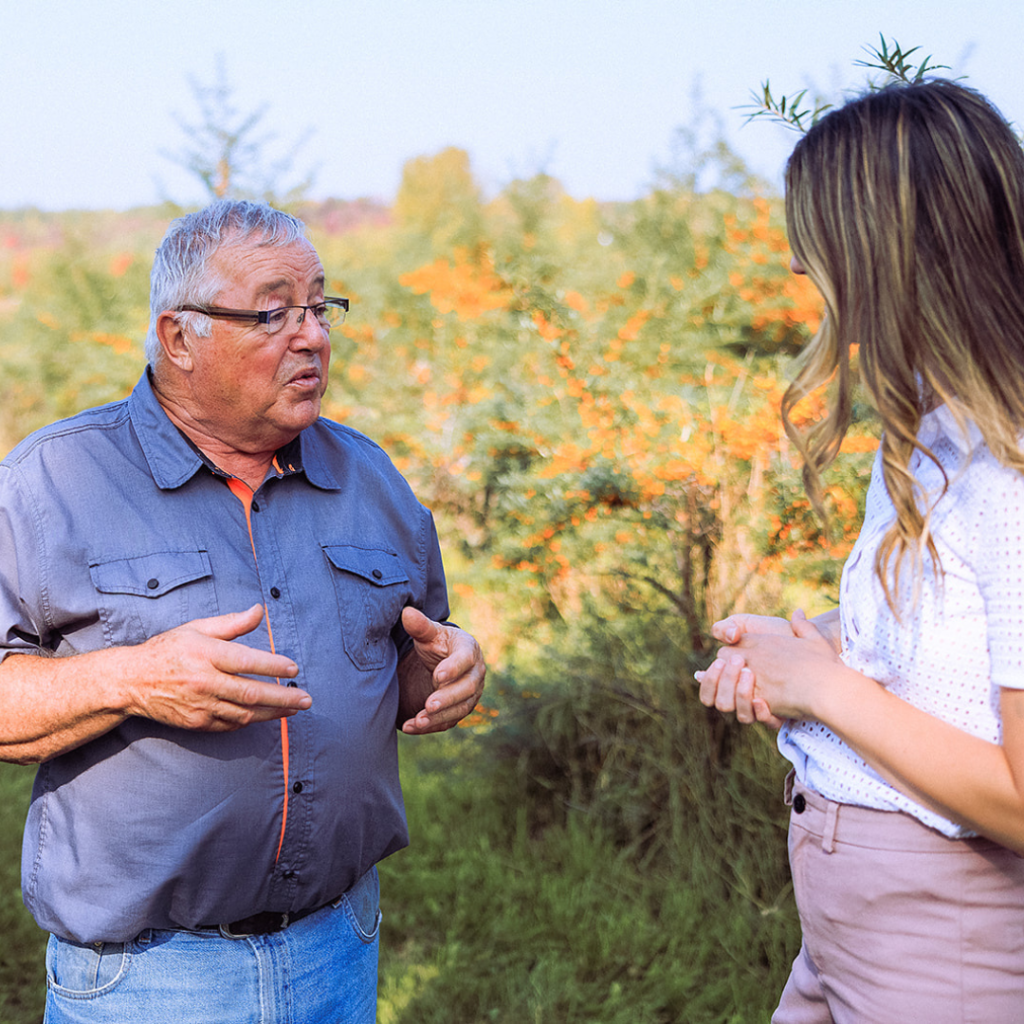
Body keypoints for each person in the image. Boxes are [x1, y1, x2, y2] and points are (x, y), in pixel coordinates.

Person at [0, 199, 486, 1024]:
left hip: (339, 948)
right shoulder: (54, 482)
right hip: (149, 980)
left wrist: (448, 670)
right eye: (272, 313)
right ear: (179, 337)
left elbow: (399, 671)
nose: (313, 336)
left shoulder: (371, 479)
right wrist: (134, 679)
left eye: (318, 307)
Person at [695, 79, 1024, 1022]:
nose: (804, 276)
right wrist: (820, 643)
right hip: (851, 925)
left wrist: (825, 690)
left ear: (889, 256)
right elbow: (962, 647)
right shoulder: (934, 429)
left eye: (821, 251)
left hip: (940, 936)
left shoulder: (1008, 473)